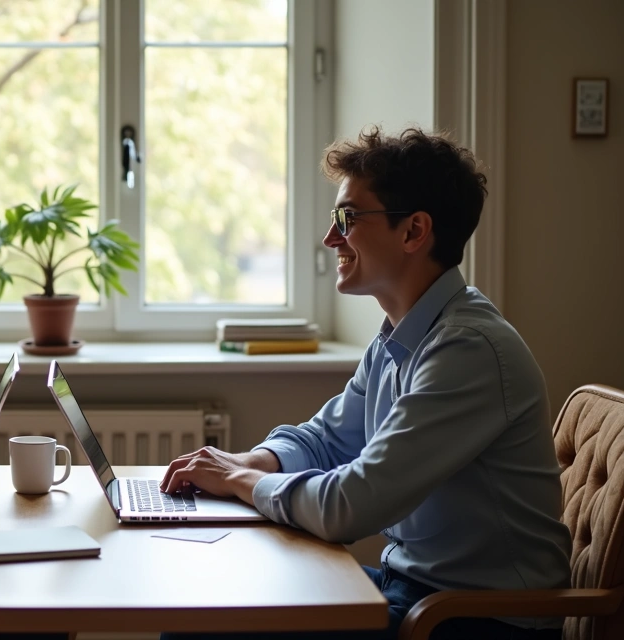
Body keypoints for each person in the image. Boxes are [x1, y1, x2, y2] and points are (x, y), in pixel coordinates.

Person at [160, 127, 572, 640]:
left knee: (197, 630)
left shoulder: (468, 350)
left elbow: (347, 506)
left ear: (413, 232)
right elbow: (327, 438)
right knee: (202, 607)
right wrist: (247, 461)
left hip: (473, 620)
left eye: (348, 219)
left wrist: (239, 482)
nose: (332, 238)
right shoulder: (402, 336)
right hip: (415, 591)